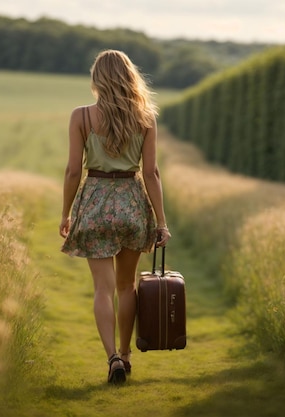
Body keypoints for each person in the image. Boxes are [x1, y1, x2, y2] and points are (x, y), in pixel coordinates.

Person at [59, 49, 171, 385]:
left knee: (102, 290)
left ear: (97, 80)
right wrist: (161, 222)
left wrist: (66, 213)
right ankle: (126, 354)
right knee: (126, 287)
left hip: (94, 202)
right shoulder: (146, 118)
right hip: (132, 203)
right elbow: (151, 172)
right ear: (129, 77)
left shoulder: (81, 116)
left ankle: (111, 359)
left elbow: (71, 171)